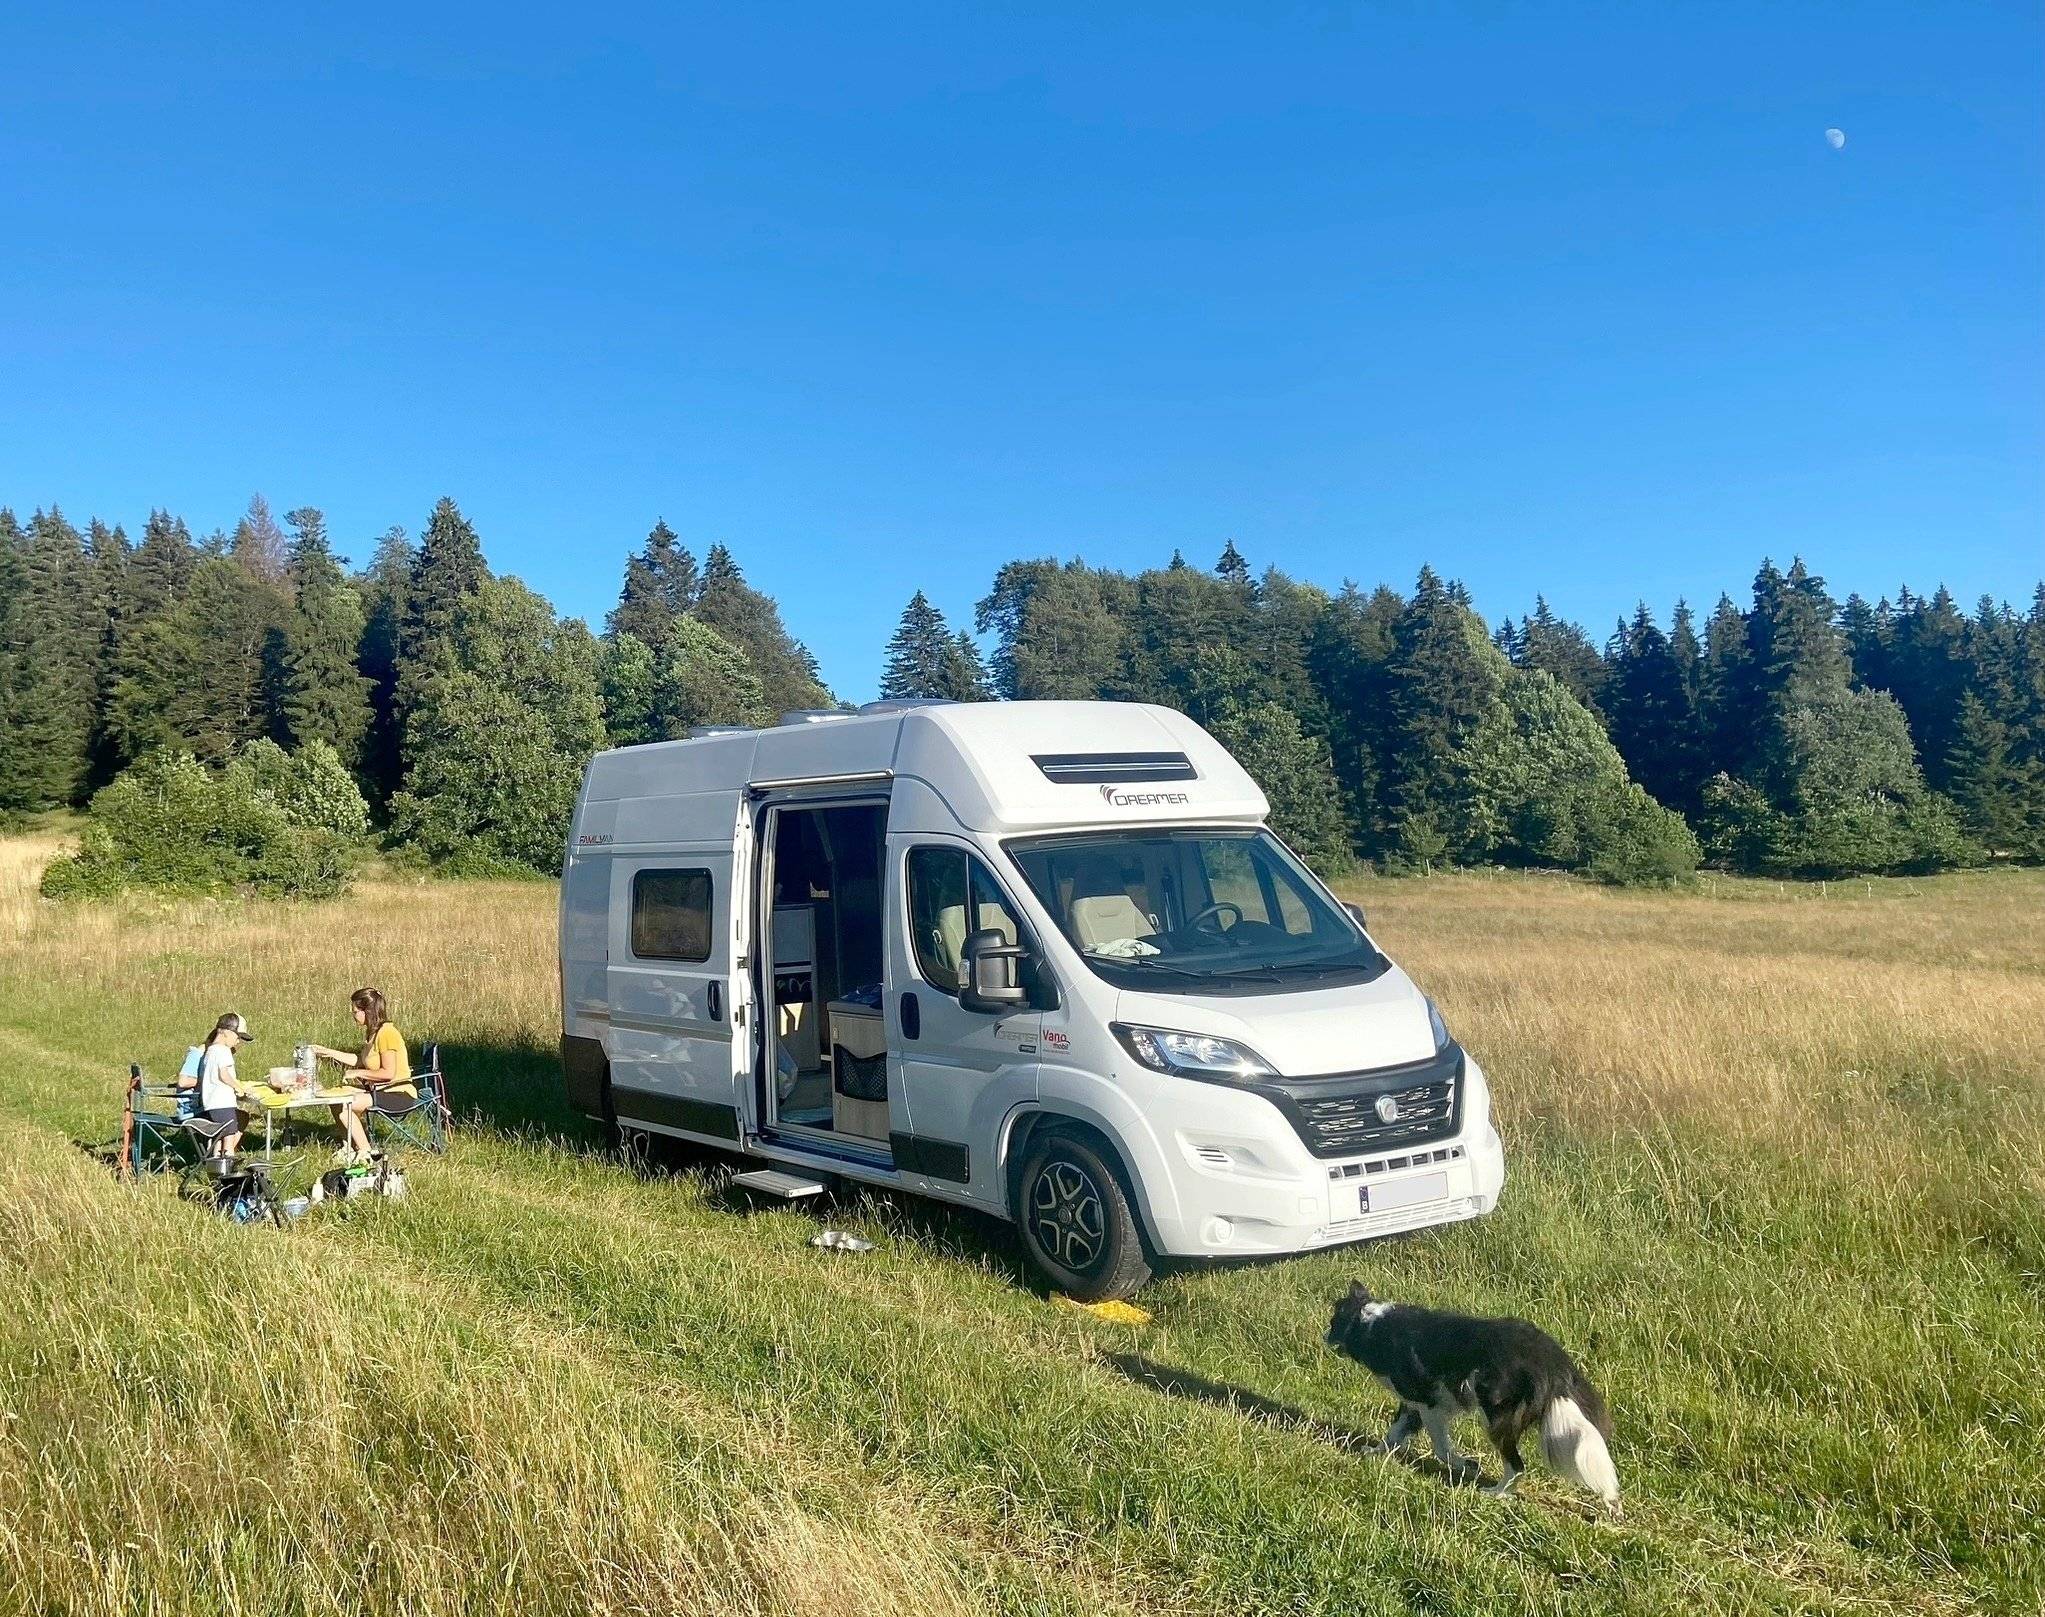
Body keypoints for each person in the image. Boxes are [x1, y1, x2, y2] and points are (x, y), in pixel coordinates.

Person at [307, 987, 414, 1166]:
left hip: (398, 1094)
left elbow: (388, 1073)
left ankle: (366, 1153)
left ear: (367, 1011)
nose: (353, 1015)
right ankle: (349, 1147)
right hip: (379, 1090)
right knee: (334, 1098)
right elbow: (360, 1060)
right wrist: (328, 1052)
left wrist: (358, 1073)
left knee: (346, 1106)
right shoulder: (372, 1033)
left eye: (355, 1011)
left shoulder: (387, 1033)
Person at [179, 1012, 254, 1158]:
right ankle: (228, 1163)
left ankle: (215, 1164)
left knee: (219, 1136)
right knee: (229, 1135)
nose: (238, 1041)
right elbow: (223, 1074)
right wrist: (237, 1086)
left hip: (210, 1104)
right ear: (227, 1032)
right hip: (223, 1103)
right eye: (237, 1036)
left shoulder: (209, 1051)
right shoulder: (224, 1051)